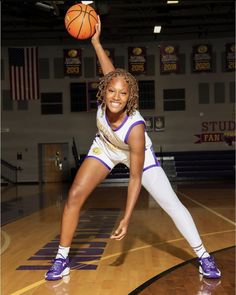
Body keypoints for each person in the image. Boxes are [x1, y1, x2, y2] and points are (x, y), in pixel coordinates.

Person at [45, 17, 221, 281]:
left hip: (135, 153)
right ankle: (61, 258)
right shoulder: (110, 90)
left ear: (131, 98)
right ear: (104, 89)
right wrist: (95, 41)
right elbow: (110, 69)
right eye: (112, 91)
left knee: (171, 204)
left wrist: (126, 219)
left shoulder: (135, 128)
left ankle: (204, 255)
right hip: (105, 146)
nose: (116, 97)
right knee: (73, 197)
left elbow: (135, 178)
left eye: (123, 94)